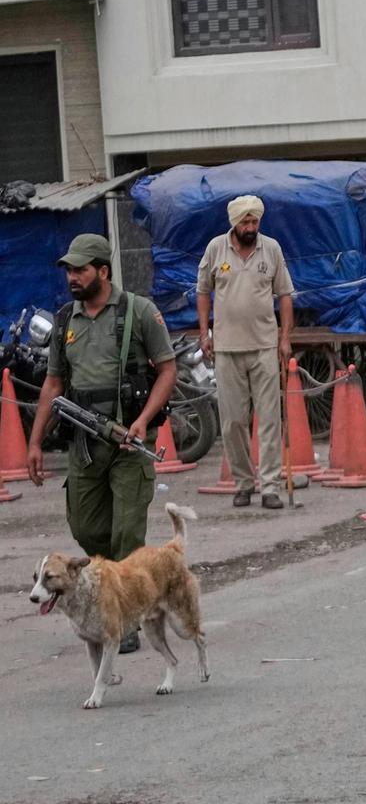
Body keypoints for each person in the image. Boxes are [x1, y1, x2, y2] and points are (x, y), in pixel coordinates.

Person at [26, 235, 179, 655]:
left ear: (104, 271)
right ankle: (114, 594)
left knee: (127, 533)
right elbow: (53, 384)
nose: (72, 277)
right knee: (88, 530)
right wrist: (34, 442)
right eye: (69, 271)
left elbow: (168, 370)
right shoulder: (64, 320)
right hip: (84, 445)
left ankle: (124, 620)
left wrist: (144, 421)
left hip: (129, 442)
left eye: (81, 269)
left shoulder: (138, 312)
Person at [194, 194, 294, 509]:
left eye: (255, 221)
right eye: (245, 222)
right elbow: (203, 291)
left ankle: (270, 487)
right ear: (234, 223)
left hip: (264, 344)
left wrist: (285, 336)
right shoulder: (215, 249)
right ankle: (243, 483)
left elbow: (286, 294)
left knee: (268, 419)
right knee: (233, 421)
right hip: (226, 347)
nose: (251, 227)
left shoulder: (272, 249)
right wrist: (204, 333)